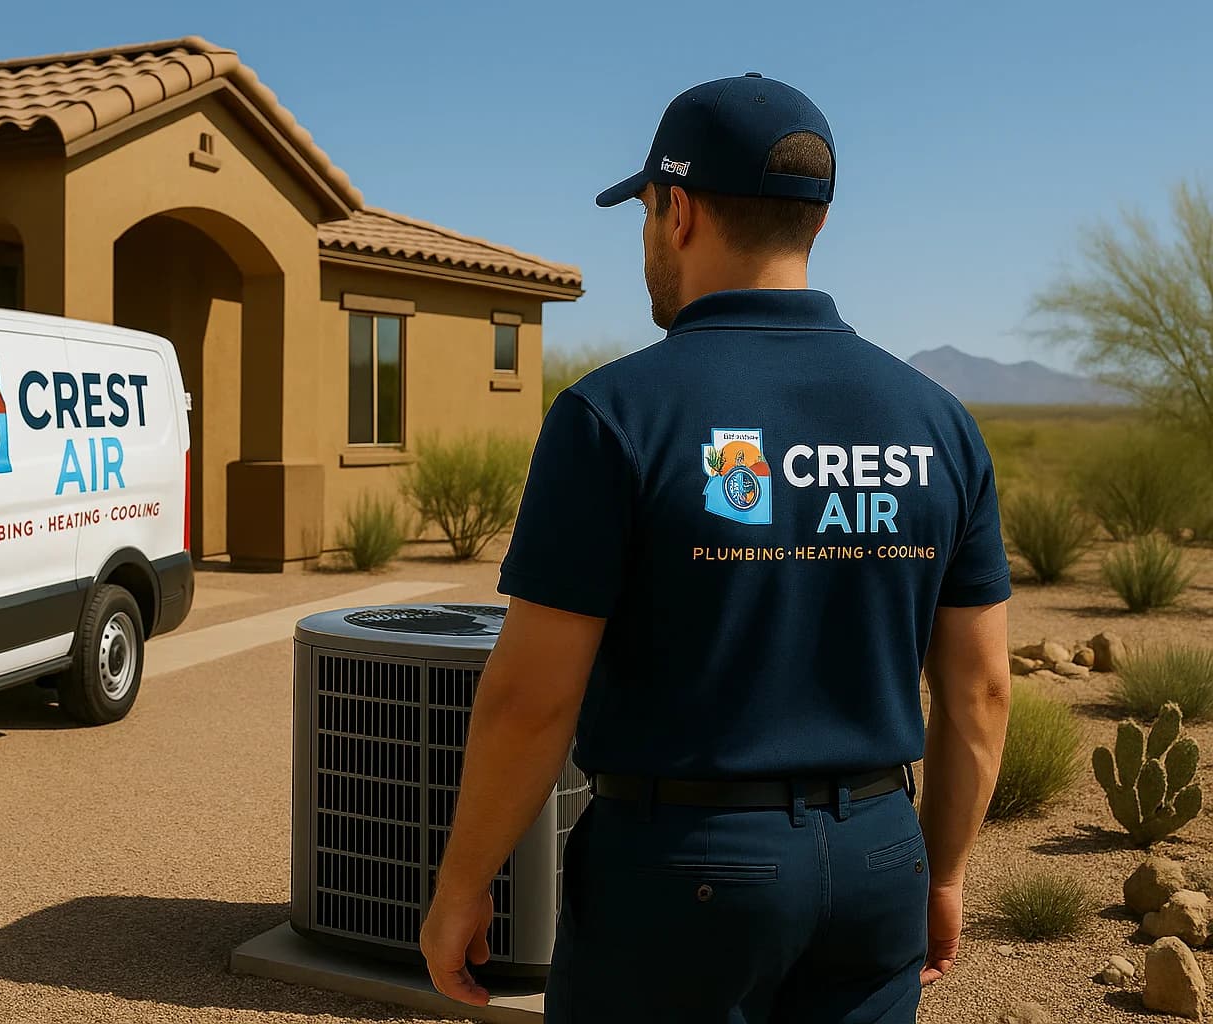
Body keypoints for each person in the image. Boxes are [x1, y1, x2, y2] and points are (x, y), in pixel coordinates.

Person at [419, 73, 1013, 1022]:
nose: (648, 240)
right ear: (814, 223)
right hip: (877, 859)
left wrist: (461, 886)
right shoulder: (938, 424)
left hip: (681, 876)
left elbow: (532, 700)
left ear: (679, 210)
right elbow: (980, 691)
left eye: (648, 212)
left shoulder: (613, 417)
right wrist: (939, 874)